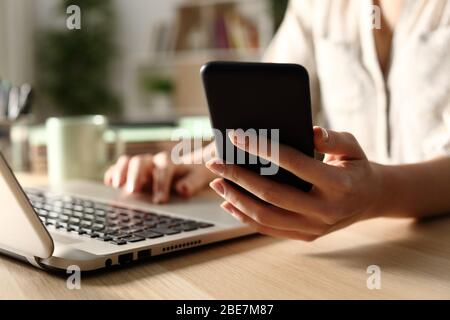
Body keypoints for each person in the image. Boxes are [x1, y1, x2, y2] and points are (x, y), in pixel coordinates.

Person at [104, 0, 450, 241]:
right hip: (356, 239)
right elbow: (264, 107)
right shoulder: (316, 5)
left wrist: (377, 193)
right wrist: (193, 162)